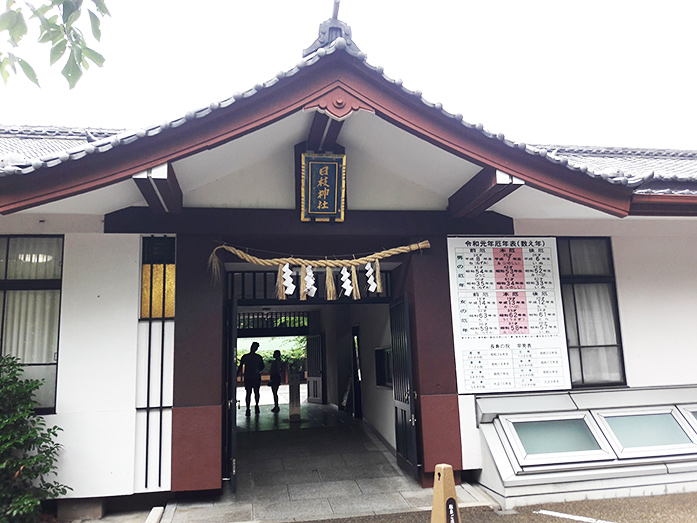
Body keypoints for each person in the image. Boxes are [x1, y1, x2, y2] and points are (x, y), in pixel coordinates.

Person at [237, 341, 265, 416]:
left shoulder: (245, 357)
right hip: (254, 376)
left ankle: (249, 408)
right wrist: (258, 371)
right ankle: (255, 406)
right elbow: (262, 367)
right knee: (254, 392)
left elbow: (240, 367)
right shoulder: (258, 357)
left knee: (249, 393)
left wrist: (237, 375)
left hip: (249, 376)